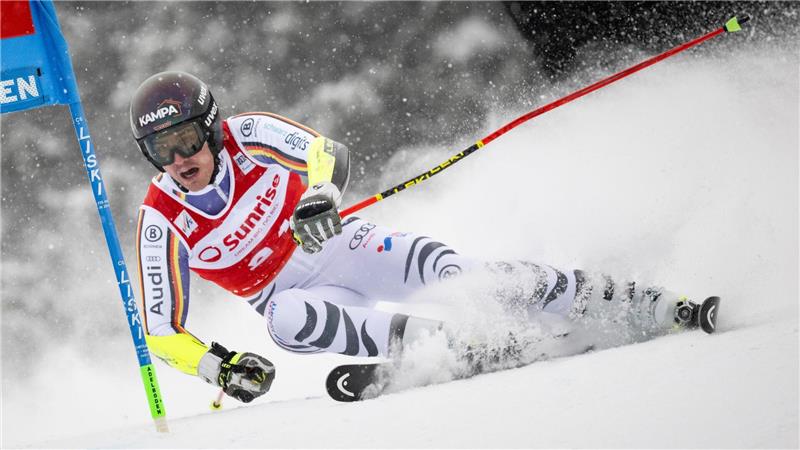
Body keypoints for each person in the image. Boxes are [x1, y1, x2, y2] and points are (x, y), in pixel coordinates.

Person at [131, 71, 705, 404]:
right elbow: (160, 332)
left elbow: (326, 153)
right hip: (295, 297)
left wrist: (322, 197)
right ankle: (444, 344)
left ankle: (633, 301)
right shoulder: (161, 219)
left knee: (465, 277)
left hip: (340, 247)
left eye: (186, 139)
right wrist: (219, 369)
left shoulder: (246, 134)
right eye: (162, 150)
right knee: (285, 321)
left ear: (209, 127)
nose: (180, 159)